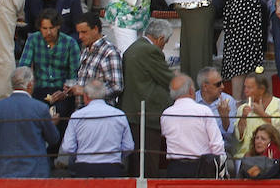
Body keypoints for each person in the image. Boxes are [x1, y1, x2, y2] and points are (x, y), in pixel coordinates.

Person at [119, 18, 174, 178]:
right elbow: (168, 79)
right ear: (161, 39)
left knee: (136, 164)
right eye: (165, 42)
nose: (164, 46)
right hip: (146, 115)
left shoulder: (135, 47)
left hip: (132, 112)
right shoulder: (150, 51)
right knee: (147, 166)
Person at [0, 67, 59, 178]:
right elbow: (53, 139)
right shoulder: (40, 108)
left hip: (6, 173)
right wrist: (52, 124)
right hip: (36, 174)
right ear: (30, 84)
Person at [17, 7, 79, 126]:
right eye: (44, 28)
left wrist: (65, 92)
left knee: (61, 116)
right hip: (39, 88)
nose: (48, 32)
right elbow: (24, 67)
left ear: (58, 26)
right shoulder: (33, 39)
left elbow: (74, 73)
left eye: (51, 28)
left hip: (62, 90)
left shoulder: (70, 43)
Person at [61, 79, 134, 178]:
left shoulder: (77, 116)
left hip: (84, 168)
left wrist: (81, 154)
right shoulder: (119, 115)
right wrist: (115, 155)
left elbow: (68, 147)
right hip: (112, 168)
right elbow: (129, 146)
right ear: (104, 95)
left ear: (86, 96)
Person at [161, 74, 225, 179]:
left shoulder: (166, 114)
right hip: (201, 167)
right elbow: (217, 144)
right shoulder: (204, 111)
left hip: (175, 168)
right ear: (191, 91)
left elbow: (165, 135)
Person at [233, 71, 280, 162]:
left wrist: (262, 114)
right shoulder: (243, 108)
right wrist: (243, 117)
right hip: (247, 155)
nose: (245, 91)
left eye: (249, 87)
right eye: (245, 87)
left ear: (262, 89)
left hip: (274, 154)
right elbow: (238, 136)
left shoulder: (278, 103)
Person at [73, 11, 124, 107]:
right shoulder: (85, 50)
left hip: (101, 113)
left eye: (84, 32)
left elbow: (116, 87)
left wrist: (84, 91)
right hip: (82, 110)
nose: (80, 37)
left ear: (95, 29)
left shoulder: (110, 52)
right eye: (79, 33)